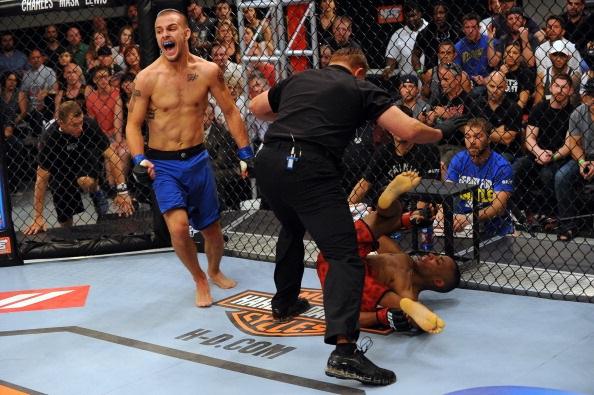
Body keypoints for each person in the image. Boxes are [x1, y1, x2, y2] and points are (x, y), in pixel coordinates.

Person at [249, 47, 447, 386]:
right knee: (344, 257)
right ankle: (344, 351)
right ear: (359, 71)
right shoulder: (360, 87)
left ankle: (284, 302)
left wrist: (292, 123)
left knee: (292, 226)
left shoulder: (300, 78)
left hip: (268, 162)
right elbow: (409, 131)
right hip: (309, 166)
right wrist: (442, 132)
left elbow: (256, 108)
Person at [126, 9, 252, 307]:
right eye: (159, 31)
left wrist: (245, 151)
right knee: (179, 227)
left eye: (171, 29)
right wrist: (138, 159)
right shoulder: (146, 78)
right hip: (164, 165)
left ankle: (214, 269)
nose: (165, 35)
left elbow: (231, 111)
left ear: (186, 33)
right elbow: (132, 125)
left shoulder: (208, 71)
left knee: (212, 231)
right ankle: (198, 277)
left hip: (198, 160)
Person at [319, 171, 459, 333]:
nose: (431, 255)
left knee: (359, 285)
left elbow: (351, 318)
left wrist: (383, 317)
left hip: (342, 275)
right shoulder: (402, 258)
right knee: (384, 217)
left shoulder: (407, 292)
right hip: (342, 251)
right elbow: (379, 235)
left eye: (438, 261)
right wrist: (408, 220)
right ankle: (388, 200)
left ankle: (404, 308)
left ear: (438, 281)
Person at [24, 101, 134, 235]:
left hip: (84, 155)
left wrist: (122, 192)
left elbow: (112, 156)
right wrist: (38, 218)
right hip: (60, 166)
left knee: (85, 181)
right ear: (61, 123)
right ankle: (68, 236)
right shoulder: (49, 138)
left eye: (81, 122)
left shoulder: (89, 125)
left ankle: (96, 190)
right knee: (65, 216)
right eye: (74, 125)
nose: (80, 128)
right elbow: (41, 179)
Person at [437, 117, 514, 238]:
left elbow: (498, 207)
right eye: (468, 137)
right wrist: (442, 212)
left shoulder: (502, 166)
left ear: (489, 139)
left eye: (478, 136)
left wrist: (468, 218)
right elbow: (448, 193)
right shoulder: (458, 160)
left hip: (493, 229)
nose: (472, 141)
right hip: (462, 227)